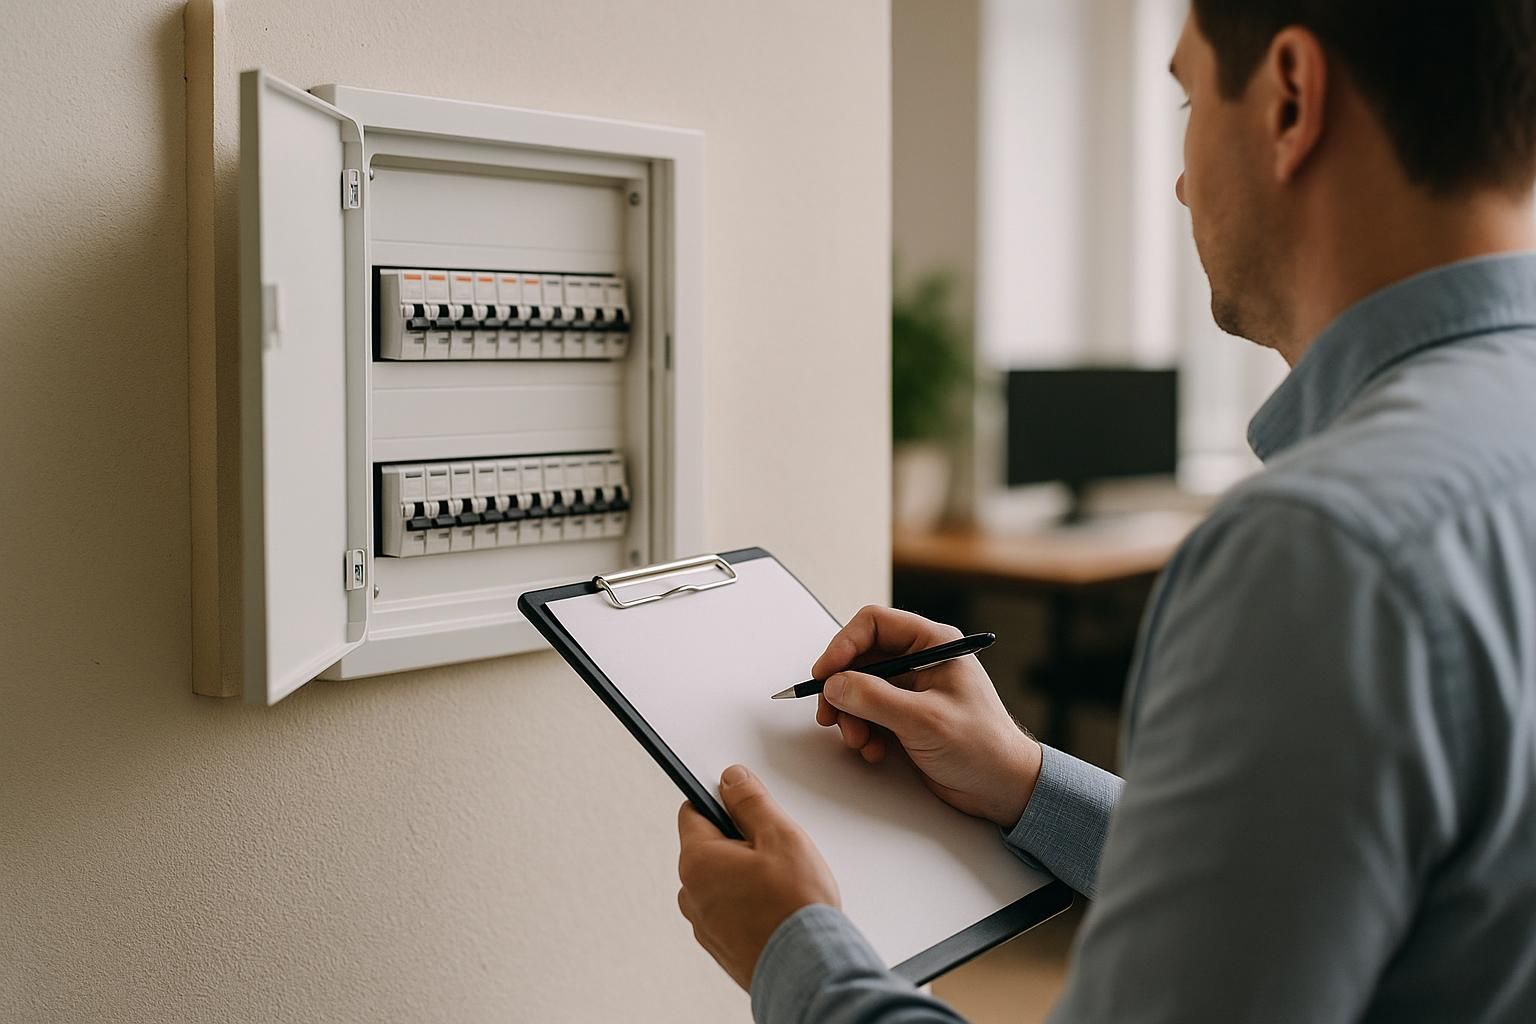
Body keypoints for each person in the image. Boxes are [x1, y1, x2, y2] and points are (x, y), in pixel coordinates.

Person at [676, 2, 1536, 1021]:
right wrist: (1029, 781)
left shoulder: (1323, 553)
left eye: (1185, 96)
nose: (1177, 181)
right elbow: (1307, 878)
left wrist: (793, 948)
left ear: (1291, 99)